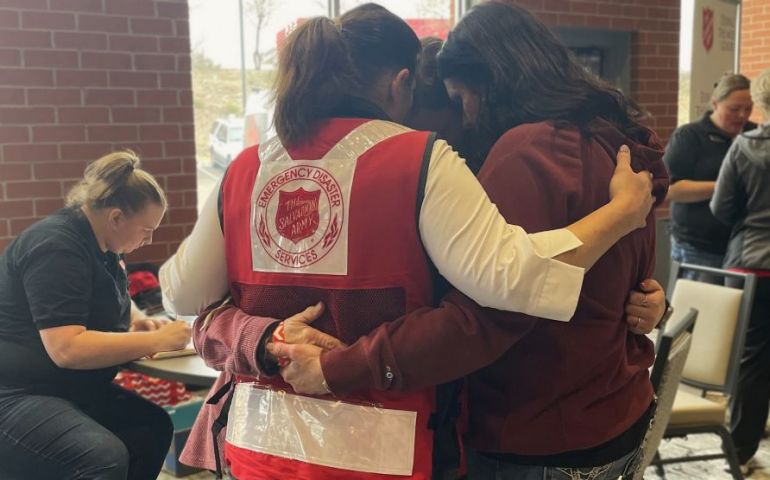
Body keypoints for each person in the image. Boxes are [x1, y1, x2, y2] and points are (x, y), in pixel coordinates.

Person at [161, 4, 656, 479]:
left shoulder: (247, 166)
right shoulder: (419, 158)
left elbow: (182, 297)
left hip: (262, 439)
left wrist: (264, 339)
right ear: (402, 83)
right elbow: (507, 283)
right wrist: (620, 216)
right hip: (382, 445)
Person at [0, 151, 192, 480]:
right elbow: (66, 348)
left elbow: (104, 296)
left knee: (151, 429)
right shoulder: (56, 247)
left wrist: (136, 321)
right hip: (17, 392)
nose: (149, 240)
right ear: (116, 217)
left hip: (62, 388)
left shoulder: (102, 246)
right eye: (146, 230)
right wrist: (155, 339)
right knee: (101, 456)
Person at [711, 68, 770, 475]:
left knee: (752, 362)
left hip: (752, 266)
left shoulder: (745, 147)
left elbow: (720, 208)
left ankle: (744, 452)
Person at [665, 73, 755, 279]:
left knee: (741, 311)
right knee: (700, 310)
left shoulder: (755, 135)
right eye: (734, 109)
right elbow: (671, 189)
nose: (742, 115)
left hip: (744, 247)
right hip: (698, 248)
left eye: (748, 108)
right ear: (715, 103)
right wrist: (725, 186)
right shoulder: (689, 136)